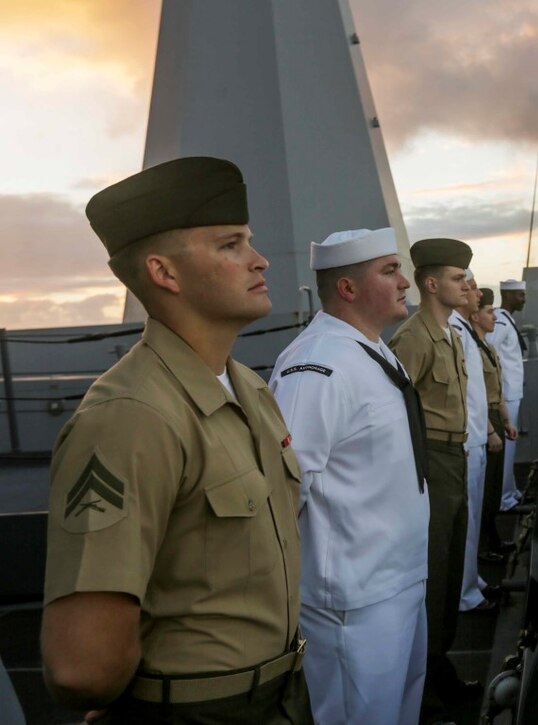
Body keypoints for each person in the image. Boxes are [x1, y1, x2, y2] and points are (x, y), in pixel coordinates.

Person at [40, 157, 310, 723]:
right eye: (230, 244)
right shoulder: (131, 417)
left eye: (249, 242)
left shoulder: (250, 390)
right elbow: (84, 663)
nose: (258, 260)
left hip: (280, 697)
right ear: (165, 274)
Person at [269, 228, 429, 725]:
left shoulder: (372, 349)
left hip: (398, 580)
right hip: (353, 603)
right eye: (389, 271)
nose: (406, 282)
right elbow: (286, 485)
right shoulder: (318, 365)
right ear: (348, 288)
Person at [387, 238, 474, 725]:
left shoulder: (452, 334)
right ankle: (423, 696)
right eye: (458, 279)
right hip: (433, 462)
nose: (466, 286)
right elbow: (400, 413)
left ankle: (441, 669)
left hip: (455, 458)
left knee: (451, 571)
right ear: (431, 283)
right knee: (432, 576)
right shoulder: (415, 338)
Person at [449, 272, 496, 615]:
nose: (476, 293)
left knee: (473, 520)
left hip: (476, 436)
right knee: (464, 524)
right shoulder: (452, 330)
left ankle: (471, 581)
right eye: (470, 286)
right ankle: (465, 596)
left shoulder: (463, 329)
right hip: (466, 440)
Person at [472, 288, 517, 560]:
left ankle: (493, 539)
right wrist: (490, 430)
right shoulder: (473, 349)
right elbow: (476, 394)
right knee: (486, 490)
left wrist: (507, 420)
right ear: (475, 316)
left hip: (496, 416)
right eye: (489, 312)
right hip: (485, 418)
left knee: (493, 484)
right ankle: (486, 546)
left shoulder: (488, 347)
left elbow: (496, 390)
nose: (494, 317)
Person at [488, 280, 527, 510]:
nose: (524, 299)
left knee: (511, 448)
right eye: (520, 295)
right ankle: (503, 500)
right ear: (508, 295)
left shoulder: (506, 319)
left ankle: (510, 491)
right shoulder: (501, 320)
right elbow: (490, 347)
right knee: (507, 448)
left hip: (513, 391)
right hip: (507, 393)